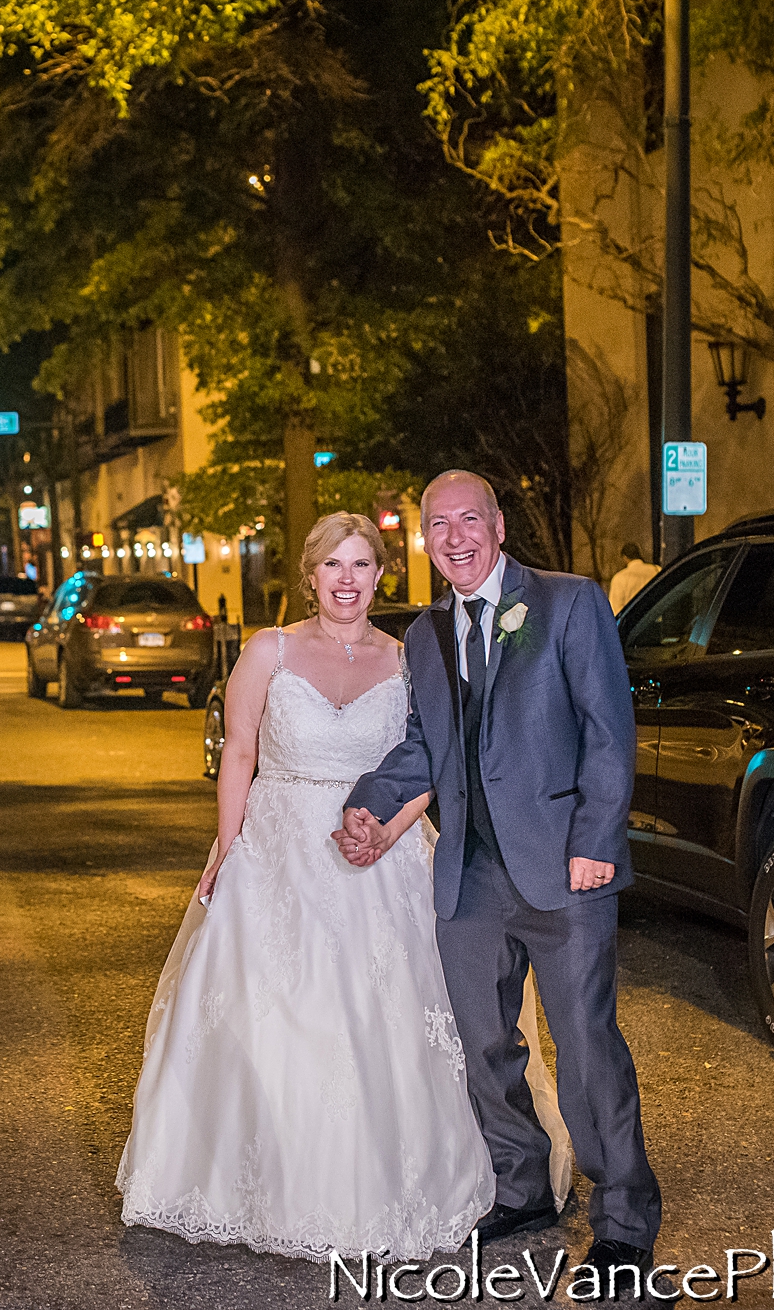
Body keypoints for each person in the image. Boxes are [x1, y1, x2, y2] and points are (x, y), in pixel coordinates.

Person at [116, 512, 568, 1263]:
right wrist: (231, 849)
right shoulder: (269, 650)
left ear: (380, 575)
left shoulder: (410, 655)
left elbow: (434, 759)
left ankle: (425, 1175)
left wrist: (389, 829)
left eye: (362, 565)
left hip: (382, 850)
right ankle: (268, 1183)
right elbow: (238, 752)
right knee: (278, 1016)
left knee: (387, 1013)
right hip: (278, 848)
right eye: (334, 565)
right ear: (311, 574)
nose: (348, 579)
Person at [336, 470, 662, 1291]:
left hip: (563, 867)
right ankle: (522, 1187)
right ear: (424, 539)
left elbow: (607, 729)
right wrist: (369, 806)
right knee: (485, 1046)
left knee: (587, 1049)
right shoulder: (423, 633)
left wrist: (596, 838)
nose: (454, 537)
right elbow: (424, 744)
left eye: (467, 519)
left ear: (499, 524)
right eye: (437, 524)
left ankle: (623, 1219)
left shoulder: (568, 601)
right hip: (469, 873)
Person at [608, 541, 661, 614]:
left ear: (625, 557)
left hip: (634, 622)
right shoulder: (656, 570)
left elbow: (615, 608)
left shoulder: (620, 577)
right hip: (655, 618)